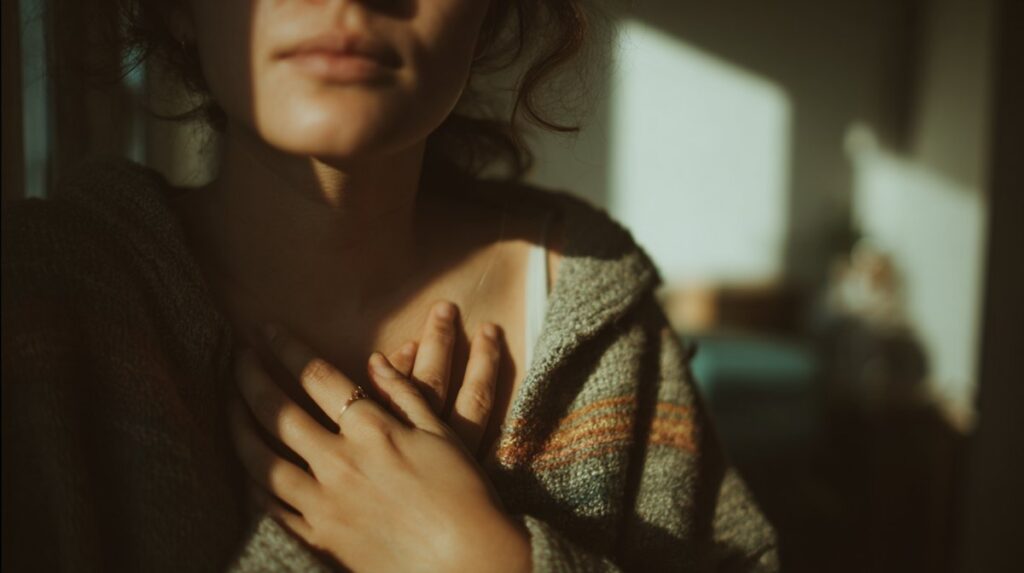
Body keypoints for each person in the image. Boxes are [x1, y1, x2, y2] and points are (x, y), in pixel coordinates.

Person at [1, 0, 778, 571]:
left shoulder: (597, 303)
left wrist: (484, 562)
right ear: (177, 12)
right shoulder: (46, 307)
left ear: (490, 19)